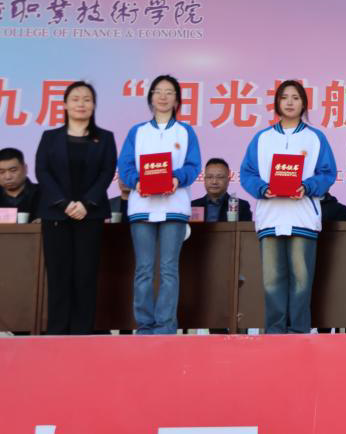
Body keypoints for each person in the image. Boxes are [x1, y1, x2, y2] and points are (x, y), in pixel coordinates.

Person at [241, 80, 337, 334]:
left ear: (304, 103)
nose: (290, 102)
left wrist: (307, 186)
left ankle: (299, 333)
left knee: (301, 281)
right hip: (270, 218)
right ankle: (275, 335)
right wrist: (263, 189)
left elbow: (328, 173)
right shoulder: (262, 138)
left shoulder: (315, 138)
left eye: (296, 97)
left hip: (302, 218)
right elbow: (247, 173)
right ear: (277, 103)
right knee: (272, 280)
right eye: (285, 97)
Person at [117, 75, 202, 335]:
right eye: (158, 91)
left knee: (168, 269)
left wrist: (177, 178)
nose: (163, 97)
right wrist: (137, 182)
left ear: (177, 99)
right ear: (151, 97)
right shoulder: (138, 132)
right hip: (142, 207)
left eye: (169, 92)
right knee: (143, 269)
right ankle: (144, 324)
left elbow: (193, 165)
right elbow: (125, 165)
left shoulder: (185, 132)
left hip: (174, 208)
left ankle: (165, 325)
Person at [34, 81, 117, 334]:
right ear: (65, 104)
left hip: (90, 215)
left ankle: (83, 332)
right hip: (56, 214)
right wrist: (64, 203)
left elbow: (106, 173)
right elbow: (42, 172)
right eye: (75, 99)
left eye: (87, 99)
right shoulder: (50, 137)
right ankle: (57, 332)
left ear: (94, 105)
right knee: (58, 275)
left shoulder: (105, 138)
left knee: (85, 275)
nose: (81, 104)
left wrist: (86, 204)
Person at [191, 158, 252, 222]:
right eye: (209, 177)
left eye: (220, 177)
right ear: (204, 180)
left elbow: (245, 228)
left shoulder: (241, 206)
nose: (214, 182)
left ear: (228, 180)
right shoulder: (193, 206)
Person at [0, 148, 40, 221]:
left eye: (13, 170)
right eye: (1, 172)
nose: (8, 177)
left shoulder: (44, 194)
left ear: (25, 168)